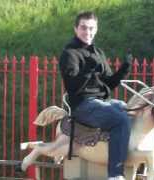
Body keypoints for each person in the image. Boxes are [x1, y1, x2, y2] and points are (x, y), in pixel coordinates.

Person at [59, 11, 132, 180]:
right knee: (120, 119)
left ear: (96, 29)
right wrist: (88, 70)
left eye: (91, 28)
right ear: (76, 29)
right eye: (83, 28)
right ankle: (115, 175)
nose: (87, 32)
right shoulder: (70, 54)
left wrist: (124, 68)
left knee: (132, 111)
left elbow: (109, 84)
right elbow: (72, 86)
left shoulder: (98, 52)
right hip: (83, 105)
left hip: (102, 102)